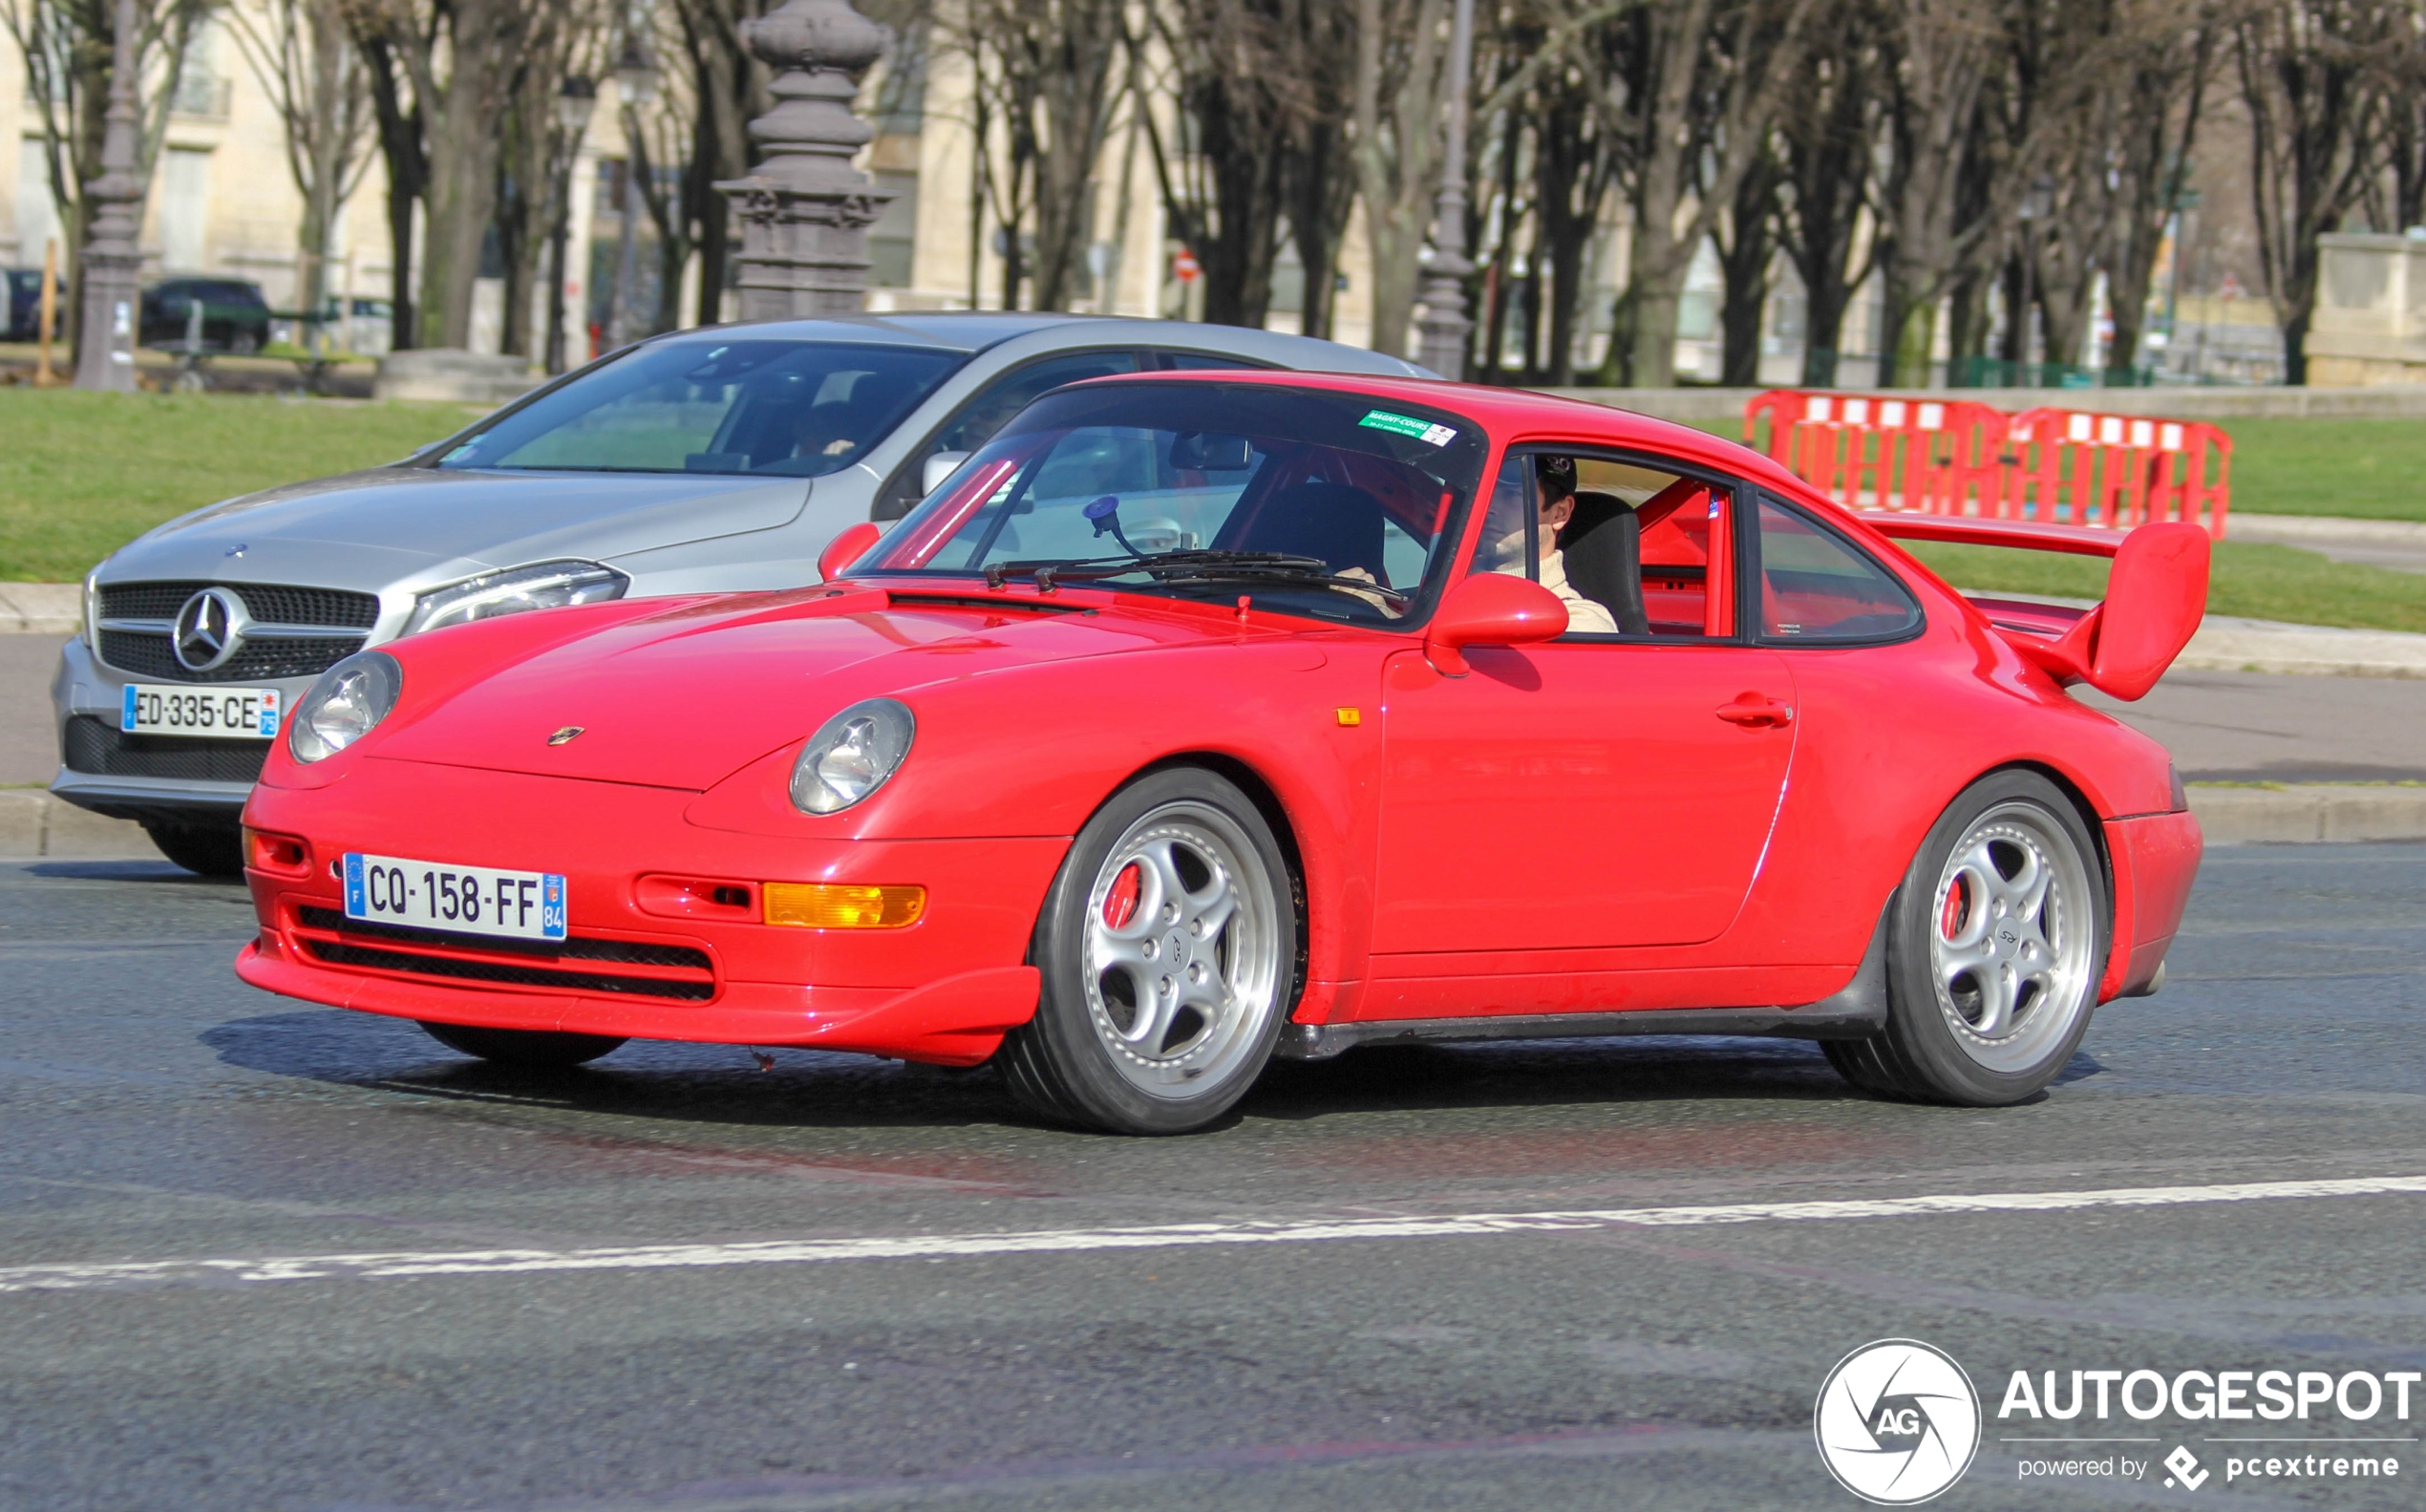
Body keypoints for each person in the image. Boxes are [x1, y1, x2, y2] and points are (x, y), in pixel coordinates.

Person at [1486, 456, 1617, 634]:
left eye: (1512, 495)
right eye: (1486, 493)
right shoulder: (1444, 578)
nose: (1489, 506)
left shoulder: (1578, 622)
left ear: (1560, 513)